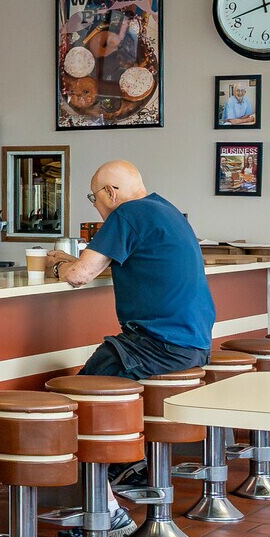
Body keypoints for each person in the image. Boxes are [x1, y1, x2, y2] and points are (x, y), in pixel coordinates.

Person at [45, 160, 214, 379]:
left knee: (80, 393)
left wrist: (57, 266)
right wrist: (73, 261)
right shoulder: (166, 210)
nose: (95, 205)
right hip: (195, 345)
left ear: (109, 192)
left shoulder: (126, 214)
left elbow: (79, 275)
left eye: (93, 197)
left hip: (159, 347)